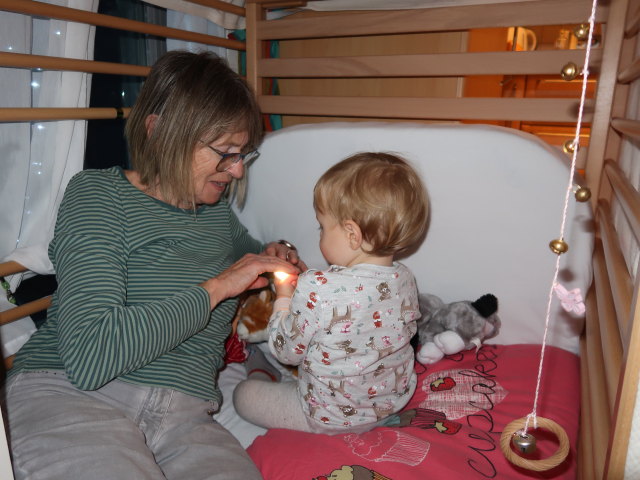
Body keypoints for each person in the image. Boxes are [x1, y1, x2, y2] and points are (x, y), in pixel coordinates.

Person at [1, 50, 304, 480]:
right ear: (160, 131)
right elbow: (92, 355)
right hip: (73, 392)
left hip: (187, 416)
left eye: (243, 154)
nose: (236, 170)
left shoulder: (216, 213)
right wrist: (218, 288)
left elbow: (257, 256)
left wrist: (278, 251)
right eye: (225, 152)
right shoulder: (98, 196)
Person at [233, 152, 429, 434]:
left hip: (328, 417)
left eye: (322, 227)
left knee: (243, 395)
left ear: (352, 234)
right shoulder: (404, 278)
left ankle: (260, 372)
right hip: (391, 403)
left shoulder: (317, 287)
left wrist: (285, 295)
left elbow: (285, 350)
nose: (320, 234)